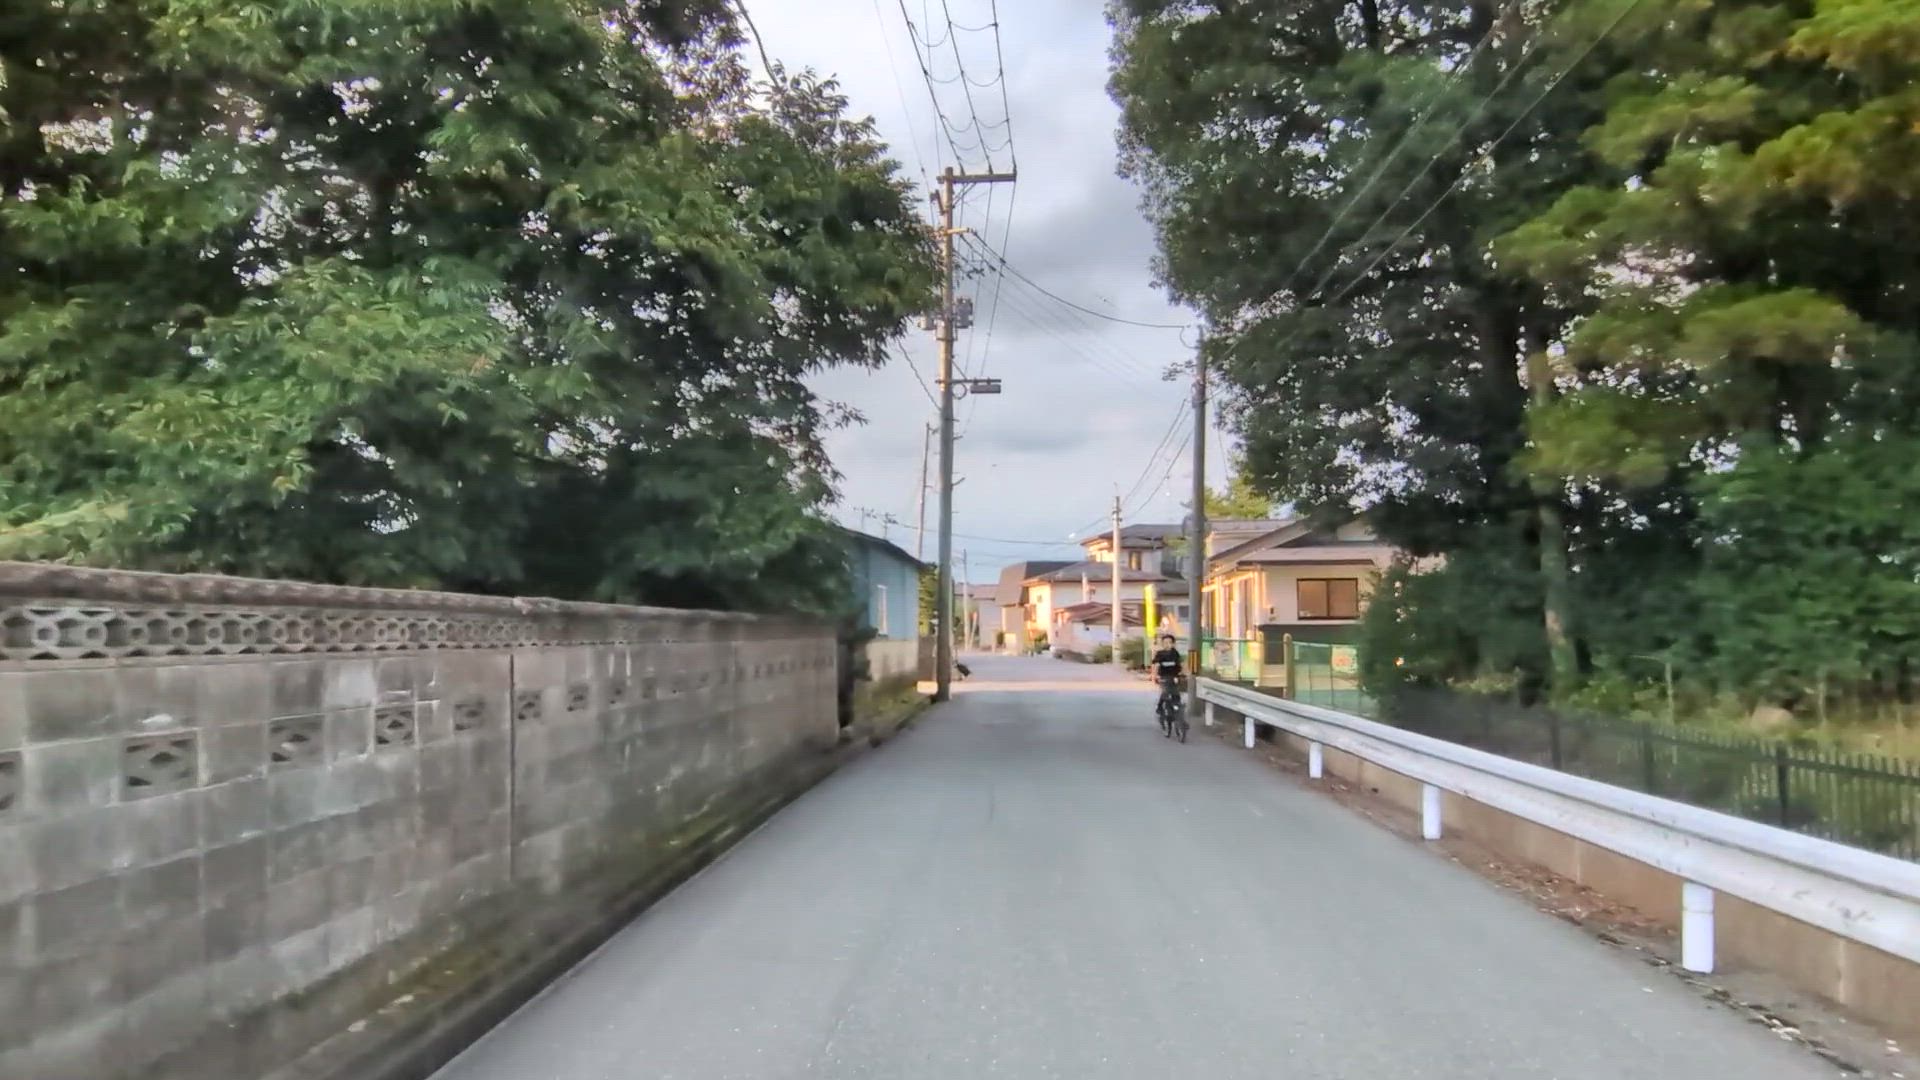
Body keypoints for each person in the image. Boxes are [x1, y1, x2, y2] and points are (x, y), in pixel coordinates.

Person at [1150, 633, 1184, 735]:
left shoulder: (1175, 653)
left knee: (1176, 694)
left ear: (1173, 644)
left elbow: (1181, 665)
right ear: (1162, 644)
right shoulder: (1160, 654)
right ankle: (1160, 707)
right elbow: (1156, 665)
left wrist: (1184, 674)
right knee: (1165, 692)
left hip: (1174, 677)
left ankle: (1179, 716)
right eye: (1165, 642)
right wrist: (1154, 676)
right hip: (1164, 677)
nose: (1168, 644)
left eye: (1170, 642)